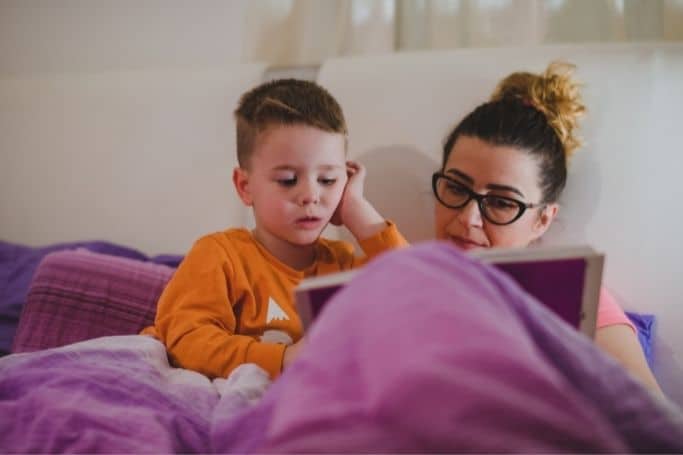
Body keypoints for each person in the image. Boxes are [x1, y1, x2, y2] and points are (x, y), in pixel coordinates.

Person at [141, 79, 407, 380]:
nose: (311, 195)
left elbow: (418, 288)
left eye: (328, 180)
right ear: (245, 186)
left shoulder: (342, 263)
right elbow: (186, 341)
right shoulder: (220, 255)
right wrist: (283, 359)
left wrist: (358, 211)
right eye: (288, 180)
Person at [431, 62, 663, 394]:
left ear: (543, 219)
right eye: (455, 187)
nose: (468, 218)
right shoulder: (410, 278)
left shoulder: (578, 301)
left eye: (501, 202)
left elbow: (655, 428)